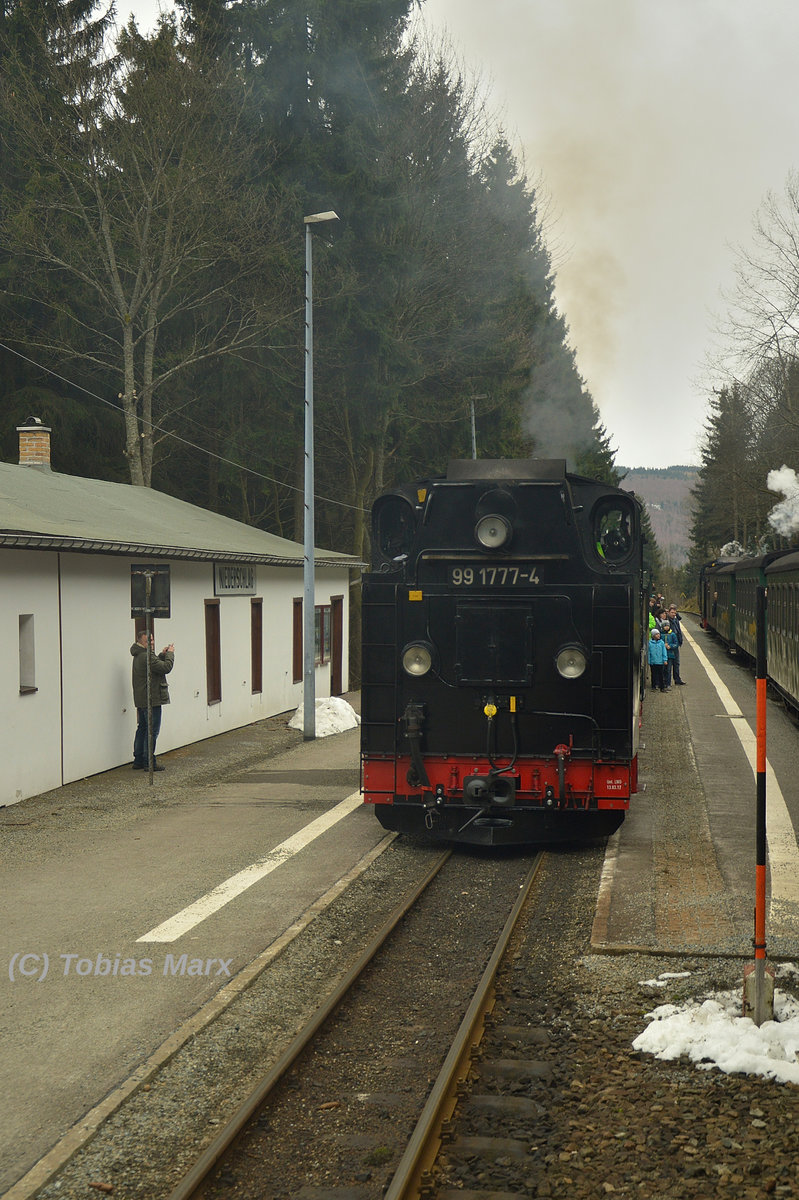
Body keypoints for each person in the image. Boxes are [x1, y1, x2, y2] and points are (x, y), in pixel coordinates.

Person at [131, 630, 175, 771]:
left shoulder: (139, 655)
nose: (151, 643)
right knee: (152, 731)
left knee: (142, 728)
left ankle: (138, 759)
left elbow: (154, 665)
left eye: (152, 640)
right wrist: (170, 654)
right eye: (148, 641)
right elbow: (165, 668)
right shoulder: (146, 656)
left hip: (142, 699)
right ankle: (149, 761)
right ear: (140, 642)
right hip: (152, 699)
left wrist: (161, 655)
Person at [667, 604, 686, 684]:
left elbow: (678, 629)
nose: (673, 614)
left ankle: (677, 679)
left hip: (676, 644)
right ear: (668, 612)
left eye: (675, 613)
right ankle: (667, 681)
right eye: (672, 612)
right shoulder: (667, 621)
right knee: (669, 663)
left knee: (676, 663)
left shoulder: (676, 620)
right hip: (669, 645)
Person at [648, 627, 668, 692]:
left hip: (660, 661)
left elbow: (664, 651)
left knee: (661, 675)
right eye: (656, 634)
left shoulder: (661, 643)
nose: (658, 635)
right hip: (653, 662)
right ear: (653, 635)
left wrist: (665, 660)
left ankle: (662, 687)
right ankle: (653, 686)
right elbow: (648, 653)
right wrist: (649, 661)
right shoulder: (650, 643)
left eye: (658, 634)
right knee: (653, 674)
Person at [662, 621, 679, 689]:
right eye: (665, 626)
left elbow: (676, 644)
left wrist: (670, 646)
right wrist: (663, 645)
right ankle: (663, 683)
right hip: (662, 655)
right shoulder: (661, 634)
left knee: (668, 670)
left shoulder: (673, 634)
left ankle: (668, 683)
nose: (666, 627)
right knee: (663, 670)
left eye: (667, 626)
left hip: (670, 654)